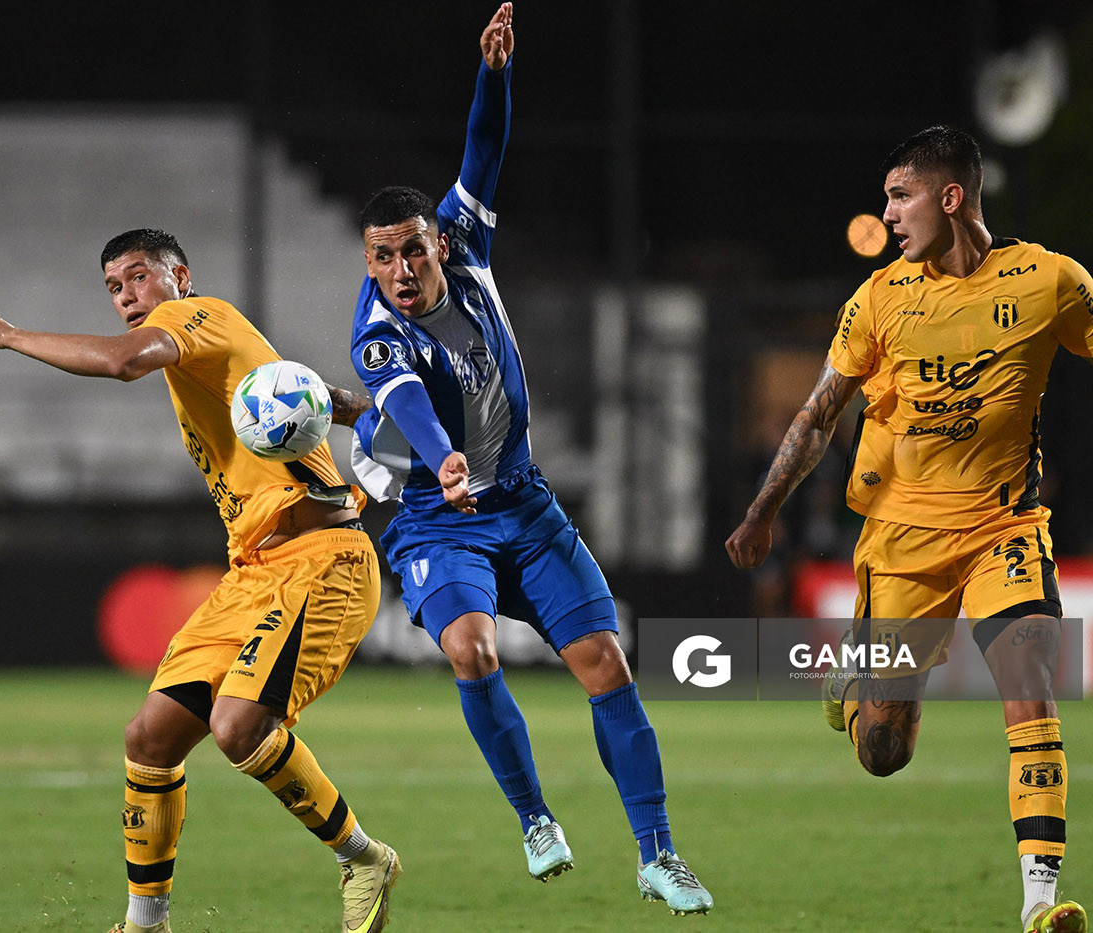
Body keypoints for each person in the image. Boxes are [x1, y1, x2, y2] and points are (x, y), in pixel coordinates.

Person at [347, 3, 713, 916]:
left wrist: (495, 74)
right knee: (470, 649)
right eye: (381, 257)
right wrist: (442, 463)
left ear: (437, 241)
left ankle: (657, 854)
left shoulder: (466, 245)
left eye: (408, 250)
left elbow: (482, 152)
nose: (397, 269)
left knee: (607, 665)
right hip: (442, 514)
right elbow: (397, 405)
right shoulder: (377, 332)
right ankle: (537, 819)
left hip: (526, 502)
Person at [0, 228, 399, 933]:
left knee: (238, 725)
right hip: (254, 569)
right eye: (114, 288)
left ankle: (363, 858)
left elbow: (124, 363)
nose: (127, 297)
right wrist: (375, 415)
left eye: (138, 278)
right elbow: (303, 388)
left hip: (320, 557)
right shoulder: (220, 341)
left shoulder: (191, 315)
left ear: (179, 275)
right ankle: (145, 923)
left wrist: (6, 335)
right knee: (150, 737)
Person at [726, 125, 1086, 933]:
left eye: (900, 195)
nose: (887, 214)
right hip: (902, 541)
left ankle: (1038, 902)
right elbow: (821, 413)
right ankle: (855, 683)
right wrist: (763, 508)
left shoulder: (1049, 281)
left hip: (1007, 526)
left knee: (1029, 690)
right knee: (883, 753)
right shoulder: (882, 298)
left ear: (949, 197)